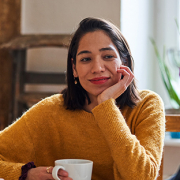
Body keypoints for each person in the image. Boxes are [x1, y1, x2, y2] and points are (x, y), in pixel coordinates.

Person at [0, 17, 165, 180]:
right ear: (74, 69)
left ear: (125, 61)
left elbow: (142, 176)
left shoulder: (148, 105)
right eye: (86, 59)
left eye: (108, 56)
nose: (97, 68)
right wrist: (26, 174)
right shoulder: (49, 111)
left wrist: (106, 106)